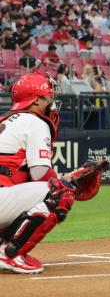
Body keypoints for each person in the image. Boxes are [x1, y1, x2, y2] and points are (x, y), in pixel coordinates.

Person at [0, 73, 104, 273]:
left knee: (46, 190)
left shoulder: (7, 120)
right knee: (60, 192)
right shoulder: (35, 121)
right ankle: (10, 254)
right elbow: (40, 173)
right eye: (48, 97)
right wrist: (68, 181)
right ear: (36, 100)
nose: (52, 103)